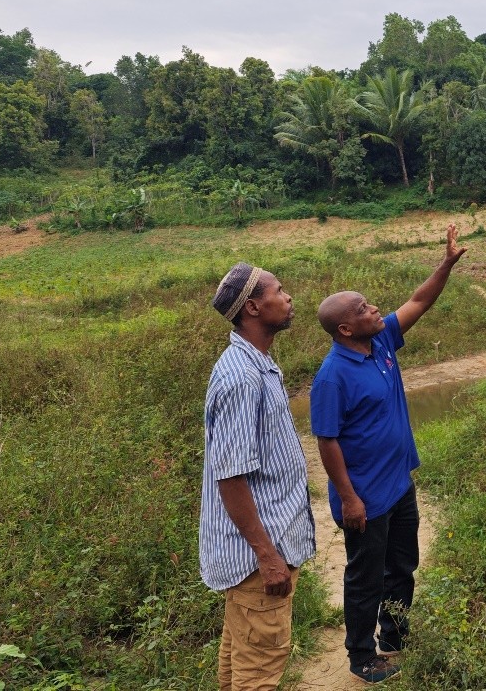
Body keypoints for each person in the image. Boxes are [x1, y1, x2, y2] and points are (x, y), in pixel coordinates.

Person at [310, 224, 468, 686]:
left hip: (399, 485)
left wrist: (446, 264)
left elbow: (419, 301)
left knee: (402, 565)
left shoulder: (379, 341)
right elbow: (326, 441)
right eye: (362, 308)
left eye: (369, 303)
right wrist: (349, 498)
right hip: (365, 499)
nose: (374, 308)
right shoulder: (332, 377)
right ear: (345, 328)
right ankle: (361, 657)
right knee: (366, 578)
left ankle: (395, 637)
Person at [200, 262, 317, 691]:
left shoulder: (258, 365)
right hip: (257, 560)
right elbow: (230, 478)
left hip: (260, 553)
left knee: (239, 664)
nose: (288, 298)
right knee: (259, 671)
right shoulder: (241, 378)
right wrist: (267, 556)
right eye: (279, 291)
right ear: (252, 307)